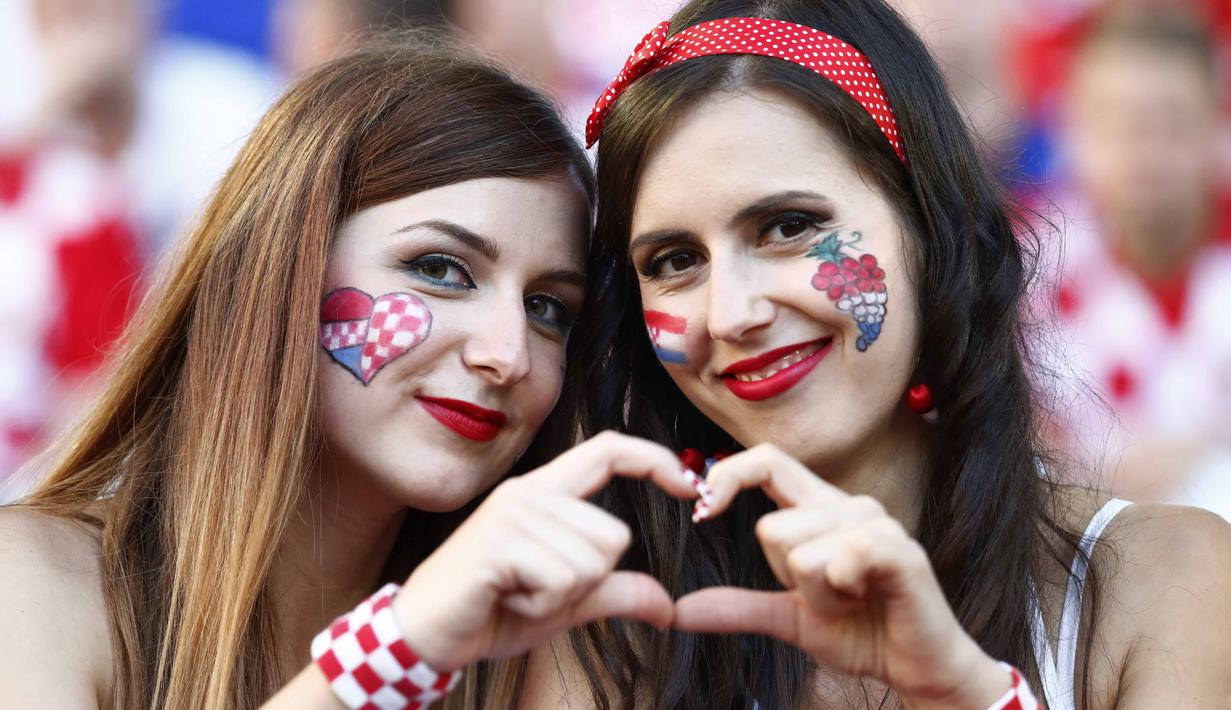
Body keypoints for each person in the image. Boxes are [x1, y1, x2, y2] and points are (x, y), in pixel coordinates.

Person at [0, 34, 703, 709]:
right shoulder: (31, 584)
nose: (508, 354)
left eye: (547, 308)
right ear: (278, 267)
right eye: (440, 270)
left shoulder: (554, 643)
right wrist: (393, 656)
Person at [565, 0, 1231, 707]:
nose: (730, 315)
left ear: (927, 224)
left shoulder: (1164, 580)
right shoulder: (607, 627)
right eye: (675, 260)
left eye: (788, 227)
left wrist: (964, 692)